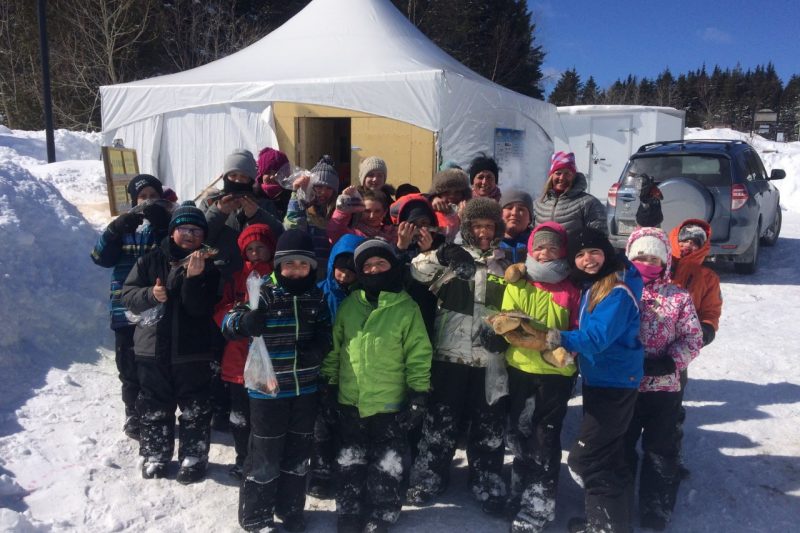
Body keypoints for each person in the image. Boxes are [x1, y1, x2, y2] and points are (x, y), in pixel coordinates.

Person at [526, 227, 643, 533]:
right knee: (609, 456)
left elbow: (597, 338)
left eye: (593, 252)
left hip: (614, 384)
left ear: (606, 252)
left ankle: (605, 527)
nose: (587, 259)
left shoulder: (617, 290)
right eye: (579, 254)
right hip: (604, 380)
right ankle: (611, 524)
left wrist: (556, 337)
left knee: (587, 459)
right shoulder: (598, 285)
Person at [222, 229, 331, 533]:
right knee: (266, 454)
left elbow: (326, 329)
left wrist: (320, 347)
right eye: (289, 264)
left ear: (311, 267)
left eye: (303, 265)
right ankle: (256, 516)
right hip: (267, 389)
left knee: (298, 452)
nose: (296, 270)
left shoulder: (316, 295)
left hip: (305, 388)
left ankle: (290, 508)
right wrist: (244, 321)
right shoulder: (265, 292)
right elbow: (229, 323)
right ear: (279, 265)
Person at [406, 198, 511, 515]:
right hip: (448, 358)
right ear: (467, 229)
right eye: (477, 225)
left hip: (489, 360)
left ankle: (487, 480)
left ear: (497, 230)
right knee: (439, 423)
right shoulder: (451, 258)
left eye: (489, 226)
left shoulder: (507, 266)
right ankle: (428, 478)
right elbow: (415, 271)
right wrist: (442, 252)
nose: (483, 231)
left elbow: (519, 309)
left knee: (489, 426)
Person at [320, 239, 432, 533]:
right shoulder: (349, 306)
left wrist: (418, 393)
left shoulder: (407, 307)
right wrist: (328, 385)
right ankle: (349, 509)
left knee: (388, 463)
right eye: (367, 266)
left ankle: (383, 512)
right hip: (350, 400)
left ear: (392, 267)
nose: (373, 270)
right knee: (349, 460)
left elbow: (419, 354)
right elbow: (335, 348)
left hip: (389, 402)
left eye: (380, 264)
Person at [121, 201, 221, 483]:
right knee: (153, 405)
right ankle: (155, 454)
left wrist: (193, 279)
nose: (189, 235)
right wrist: (152, 295)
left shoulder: (209, 266)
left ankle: (194, 456)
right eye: (183, 229)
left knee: (196, 408)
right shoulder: (149, 259)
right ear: (173, 230)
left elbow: (200, 308)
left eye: (196, 231)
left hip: (193, 351)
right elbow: (128, 296)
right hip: (151, 348)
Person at [498, 222, 581, 533]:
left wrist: (562, 348)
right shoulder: (518, 284)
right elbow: (508, 323)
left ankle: (539, 505)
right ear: (530, 250)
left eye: (553, 248)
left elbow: (577, 329)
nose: (546, 253)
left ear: (563, 252)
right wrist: (537, 339)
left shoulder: (571, 288)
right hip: (519, 369)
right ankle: (520, 490)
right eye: (540, 247)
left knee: (544, 438)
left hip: (555, 375)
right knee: (519, 434)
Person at [623, 227, 703, 531]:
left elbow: (692, 338)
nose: (646, 261)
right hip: (625, 385)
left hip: (665, 387)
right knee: (622, 444)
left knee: (660, 448)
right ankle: (619, 500)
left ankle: (656, 505)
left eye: (653, 257)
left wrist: (671, 362)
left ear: (665, 261)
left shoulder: (679, 297)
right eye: (639, 256)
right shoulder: (618, 289)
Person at [91, 174, 172, 439]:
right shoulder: (124, 226)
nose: (148, 201)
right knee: (127, 365)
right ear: (133, 200)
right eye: (142, 196)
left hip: (155, 305)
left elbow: (173, 255)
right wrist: (114, 230)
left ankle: (155, 410)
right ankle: (133, 414)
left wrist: (163, 228)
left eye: (153, 195)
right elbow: (99, 258)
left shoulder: (167, 224)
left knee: (153, 363)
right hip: (123, 308)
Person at [212, 223, 277, 480]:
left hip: (269, 357)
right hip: (238, 356)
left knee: (265, 415)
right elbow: (221, 309)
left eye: (260, 247)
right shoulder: (237, 276)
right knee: (240, 415)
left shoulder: (277, 275)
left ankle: (266, 459)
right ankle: (243, 458)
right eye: (250, 248)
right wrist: (236, 316)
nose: (255, 253)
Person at [308, 233, 366, 499]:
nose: (344, 276)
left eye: (351, 271)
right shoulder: (318, 292)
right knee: (321, 427)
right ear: (332, 265)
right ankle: (320, 472)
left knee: (348, 426)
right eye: (341, 269)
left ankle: (347, 470)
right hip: (321, 369)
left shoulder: (365, 298)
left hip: (353, 372)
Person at [668, 219, 723, 479]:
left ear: (703, 246)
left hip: (679, 349)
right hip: (647, 343)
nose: (688, 245)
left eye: (695, 241)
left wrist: (707, 327)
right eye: (685, 239)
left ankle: (669, 455)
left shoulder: (707, 276)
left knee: (672, 405)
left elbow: (711, 309)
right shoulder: (661, 264)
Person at [199, 148, 284, 281]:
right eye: (233, 175)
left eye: (243, 177)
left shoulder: (263, 204)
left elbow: (279, 237)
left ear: (251, 180)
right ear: (225, 177)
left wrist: (256, 215)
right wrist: (219, 212)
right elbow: (200, 239)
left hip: (258, 278)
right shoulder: (210, 202)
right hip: (219, 281)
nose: (237, 181)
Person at [284, 155, 339, 280]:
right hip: (306, 271)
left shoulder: (337, 214)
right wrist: (297, 195)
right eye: (318, 186)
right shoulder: (303, 209)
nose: (323, 192)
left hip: (331, 274)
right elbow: (293, 227)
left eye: (328, 188)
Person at [533, 151, 607, 237]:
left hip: (573, 250)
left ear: (574, 176)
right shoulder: (539, 204)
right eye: (558, 173)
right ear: (551, 176)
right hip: (545, 250)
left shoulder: (589, 203)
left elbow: (599, 237)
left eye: (567, 173)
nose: (562, 178)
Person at [327, 186, 397, 244]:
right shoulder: (354, 234)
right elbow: (335, 231)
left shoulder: (393, 233)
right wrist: (343, 208)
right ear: (360, 211)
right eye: (367, 211)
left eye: (377, 211)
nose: (372, 216)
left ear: (384, 212)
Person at [428, 168, 471, 243]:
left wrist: (465, 218)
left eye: (457, 192)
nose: (452, 196)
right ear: (438, 193)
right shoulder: (431, 211)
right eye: (447, 192)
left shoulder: (469, 209)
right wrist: (431, 199)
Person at [256, 147, 292, 220]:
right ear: (261, 174)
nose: (272, 177)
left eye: (278, 173)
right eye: (268, 172)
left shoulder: (292, 197)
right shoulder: (252, 198)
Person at [499, 189, 534, 263]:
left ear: (530, 219)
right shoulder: (490, 243)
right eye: (509, 208)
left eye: (521, 209)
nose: (514, 213)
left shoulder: (538, 244)